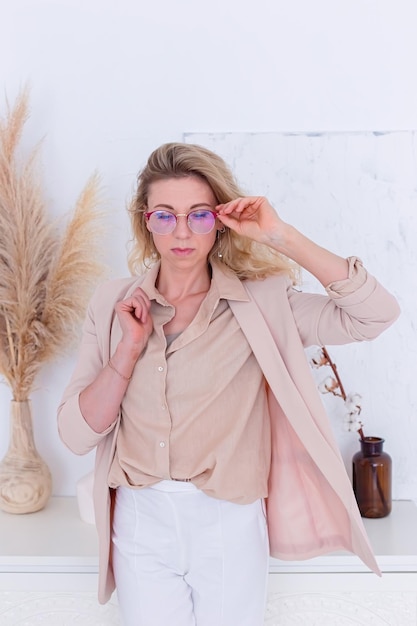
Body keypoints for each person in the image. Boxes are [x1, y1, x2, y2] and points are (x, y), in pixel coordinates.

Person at [58, 142, 400, 626]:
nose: (181, 231)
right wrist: (127, 350)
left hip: (227, 519)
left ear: (219, 220)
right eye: (164, 215)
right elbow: (75, 434)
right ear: (144, 221)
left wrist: (280, 234)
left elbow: (376, 314)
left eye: (199, 215)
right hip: (139, 519)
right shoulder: (112, 304)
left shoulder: (261, 302)